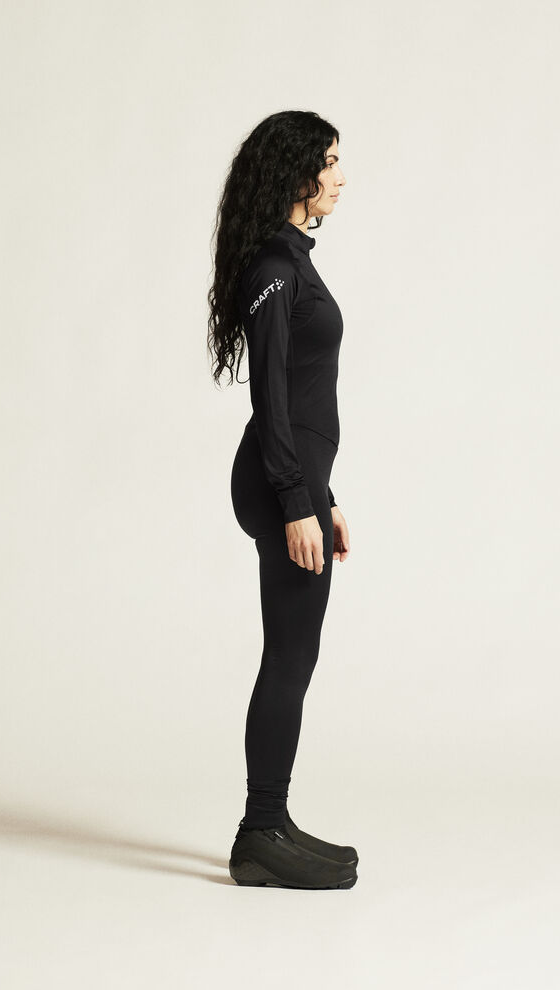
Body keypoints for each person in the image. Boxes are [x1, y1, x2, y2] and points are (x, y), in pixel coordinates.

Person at [207, 111, 359, 889]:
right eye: (329, 162)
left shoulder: (292, 259)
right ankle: (260, 832)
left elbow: (303, 396)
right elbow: (271, 397)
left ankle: (273, 820)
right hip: (276, 486)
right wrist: (297, 499)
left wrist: (322, 497)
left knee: (297, 655)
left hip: (297, 484)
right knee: (289, 657)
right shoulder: (275, 266)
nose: (340, 177)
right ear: (296, 172)